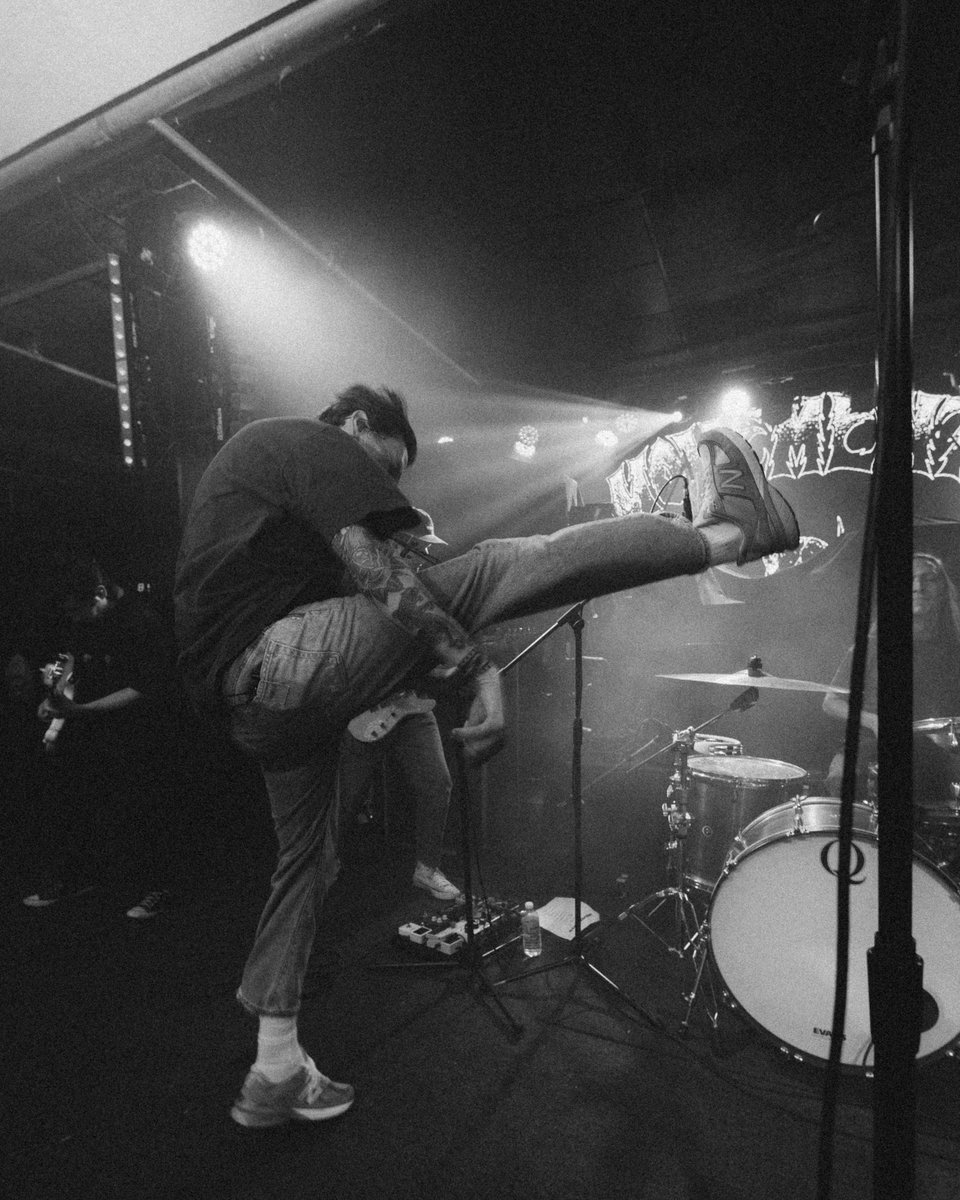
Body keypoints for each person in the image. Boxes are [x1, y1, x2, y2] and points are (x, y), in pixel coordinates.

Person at [173, 383, 798, 1128]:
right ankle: (731, 535)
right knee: (508, 564)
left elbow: (369, 593)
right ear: (358, 424)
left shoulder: (265, 504)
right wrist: (475, 669)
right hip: (278, 661)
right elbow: (374, 566)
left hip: (249, 705)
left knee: (307, 861)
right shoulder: (306, 441)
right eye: (391, 463)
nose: (391, 484)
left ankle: (274, 1065)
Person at [22, 554, 180, 919]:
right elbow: (69, 658)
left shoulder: (141, 621)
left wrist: (80, 711)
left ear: (99, 592)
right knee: (81, 801)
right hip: (96, 728)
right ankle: (80, 877)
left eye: (79, 610)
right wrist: (54, 696)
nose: (74, 619)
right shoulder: (83, 620)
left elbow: (145, 688)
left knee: (145, 808)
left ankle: (160, 887)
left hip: (144, 730)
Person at [339, 507, 462, 902]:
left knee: (437, 783)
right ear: (396, 543)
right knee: (345, 798)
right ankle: (320, 867)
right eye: (417, 548)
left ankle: (426, 869)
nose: (421, 557)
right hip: (367, 705)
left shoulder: (421, 591)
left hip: (411, 705)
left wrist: (446, 667)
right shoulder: (361, 584)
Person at [823, 552, 960, 803]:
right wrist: (874, 721)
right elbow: (831, 702)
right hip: (871, 747)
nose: (918, 587)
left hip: (933, 751)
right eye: (910, 580)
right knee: (843, 777)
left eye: (929, 579)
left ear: (943, 589)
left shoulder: (953, 651)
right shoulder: (872, 646)